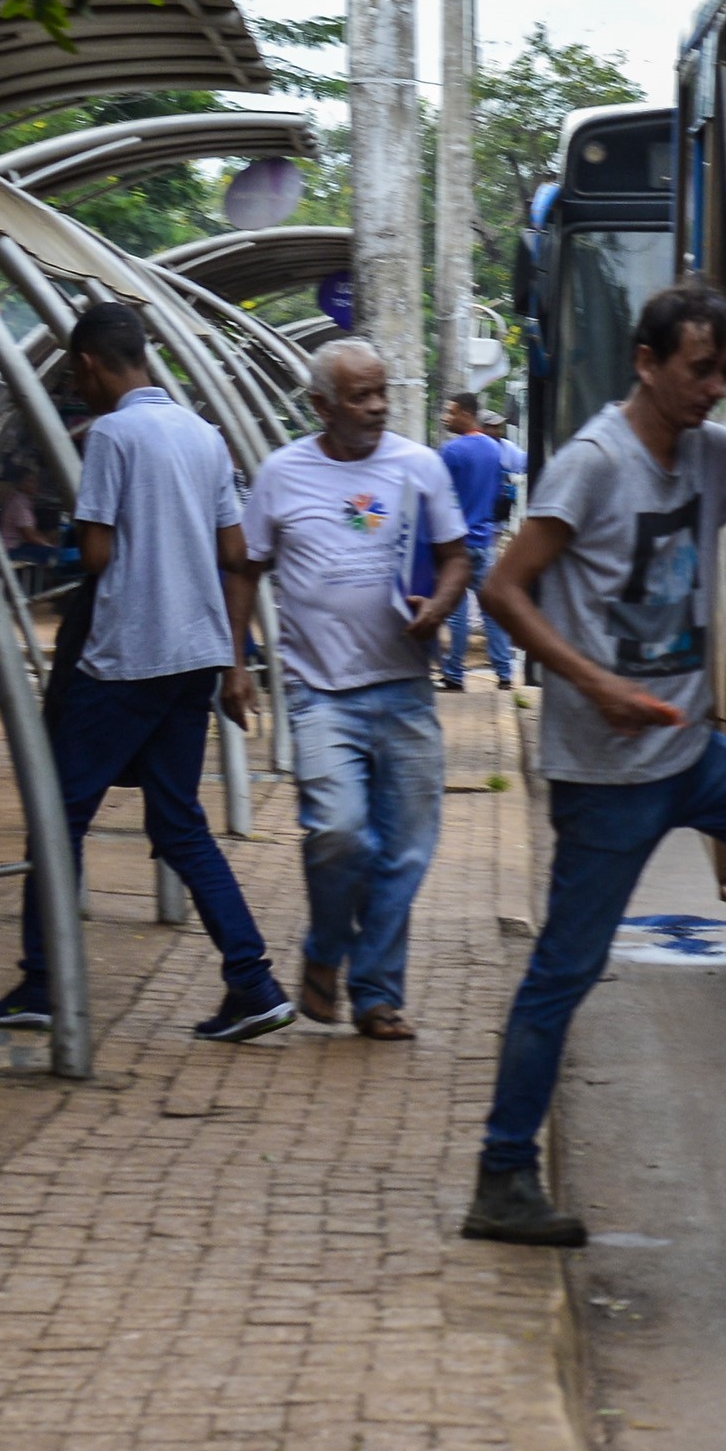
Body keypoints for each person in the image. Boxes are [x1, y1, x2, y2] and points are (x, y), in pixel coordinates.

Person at [461, 279, 726, 1247]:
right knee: (565, 971)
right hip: (607, 775)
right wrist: (593, 683)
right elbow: (503, 589)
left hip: (693, 756)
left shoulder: (714, 457)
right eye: (699, 370)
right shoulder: (594, 465)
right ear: (646, 363)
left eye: (725, 371)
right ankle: (503, 1177)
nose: (716, 388)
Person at [0, 303, 294, 1044]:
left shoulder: (112, 434)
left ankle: (43, 983)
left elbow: (97, 556)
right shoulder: (203, 435)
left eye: (74, 374)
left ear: (88, 364)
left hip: (126, 655)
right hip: (193, 655)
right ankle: (252, 980)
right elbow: (235, 547)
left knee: (58, 816)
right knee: (180, 824)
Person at [239, 343, 469, 1040]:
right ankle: (324, 952)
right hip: (319, 692)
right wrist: (232, 663)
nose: (376, 407)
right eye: (359, 396)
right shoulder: (281, 474)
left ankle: (375, 994)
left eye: (380, 392)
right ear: (320, 407)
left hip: (404, 690)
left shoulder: (419, 466)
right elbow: (244, 568)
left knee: (403, 851)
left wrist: (440, 608)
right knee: (339, 834)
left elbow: (458, 557)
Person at [432, 390, 518, 692]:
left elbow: (436, 497)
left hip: (457, 546)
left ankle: (454, 674)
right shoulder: (495, 450)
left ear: (467, 414)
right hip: (485, 542)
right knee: (491, 610)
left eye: (451, 412)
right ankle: (505, 673)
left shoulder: (451, 452)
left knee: (455, 614)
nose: (446, 417)